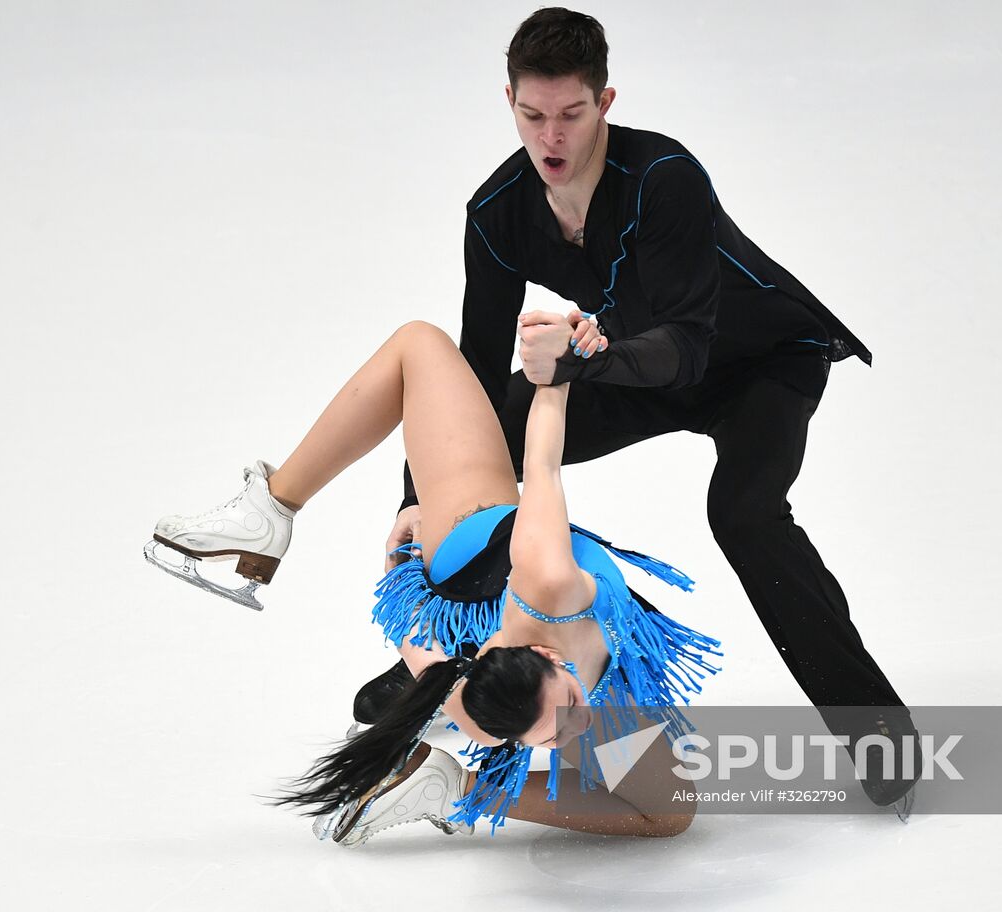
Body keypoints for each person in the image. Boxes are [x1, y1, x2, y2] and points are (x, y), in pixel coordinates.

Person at [354, 7, 920, 812]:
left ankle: (878, 735)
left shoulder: (664, 178)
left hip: (759, 361)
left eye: (572, 115)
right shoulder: (499, 210)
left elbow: (689, 345)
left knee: (745, 513)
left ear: (605, 101)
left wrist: (586, 358)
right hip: (636, 360)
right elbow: (472, 373)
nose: (551, 138)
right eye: (532, 115)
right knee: (498, 430)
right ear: (509, 102)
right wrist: (415, 498)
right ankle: (458, 672)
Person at [146, 318, 722, 846]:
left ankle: (269, 510)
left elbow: (542, 459)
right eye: (559, 726)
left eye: (560, 719)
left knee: (419, 345)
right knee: (671, 813)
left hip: (468, 562)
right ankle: (451, 785)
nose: (577, 723)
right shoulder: (533, 629)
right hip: (521, 600)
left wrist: (557, 367)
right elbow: (537, 470)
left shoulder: (524, 615)